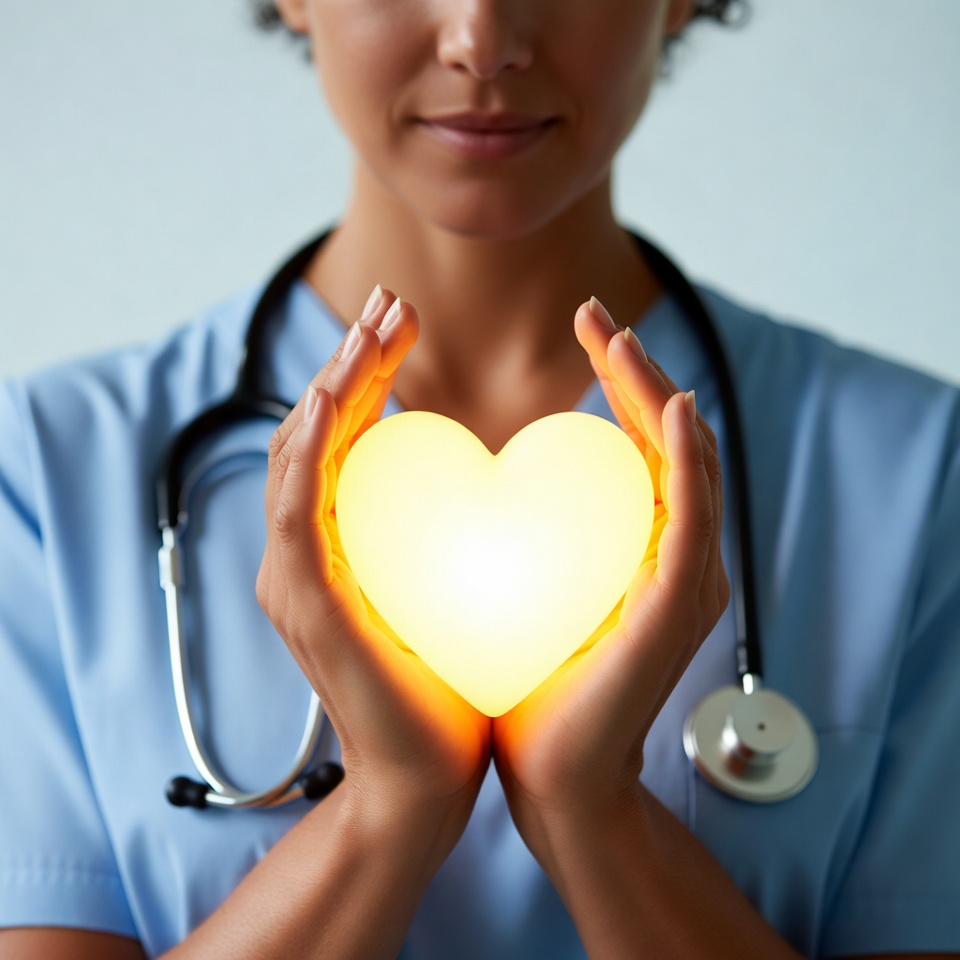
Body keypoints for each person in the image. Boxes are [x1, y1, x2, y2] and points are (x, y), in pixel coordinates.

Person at [1, 0, 958, 957]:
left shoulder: (918, 472)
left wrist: (592, 814)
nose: (483, 41)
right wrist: (388, 807)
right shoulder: (41, 472)